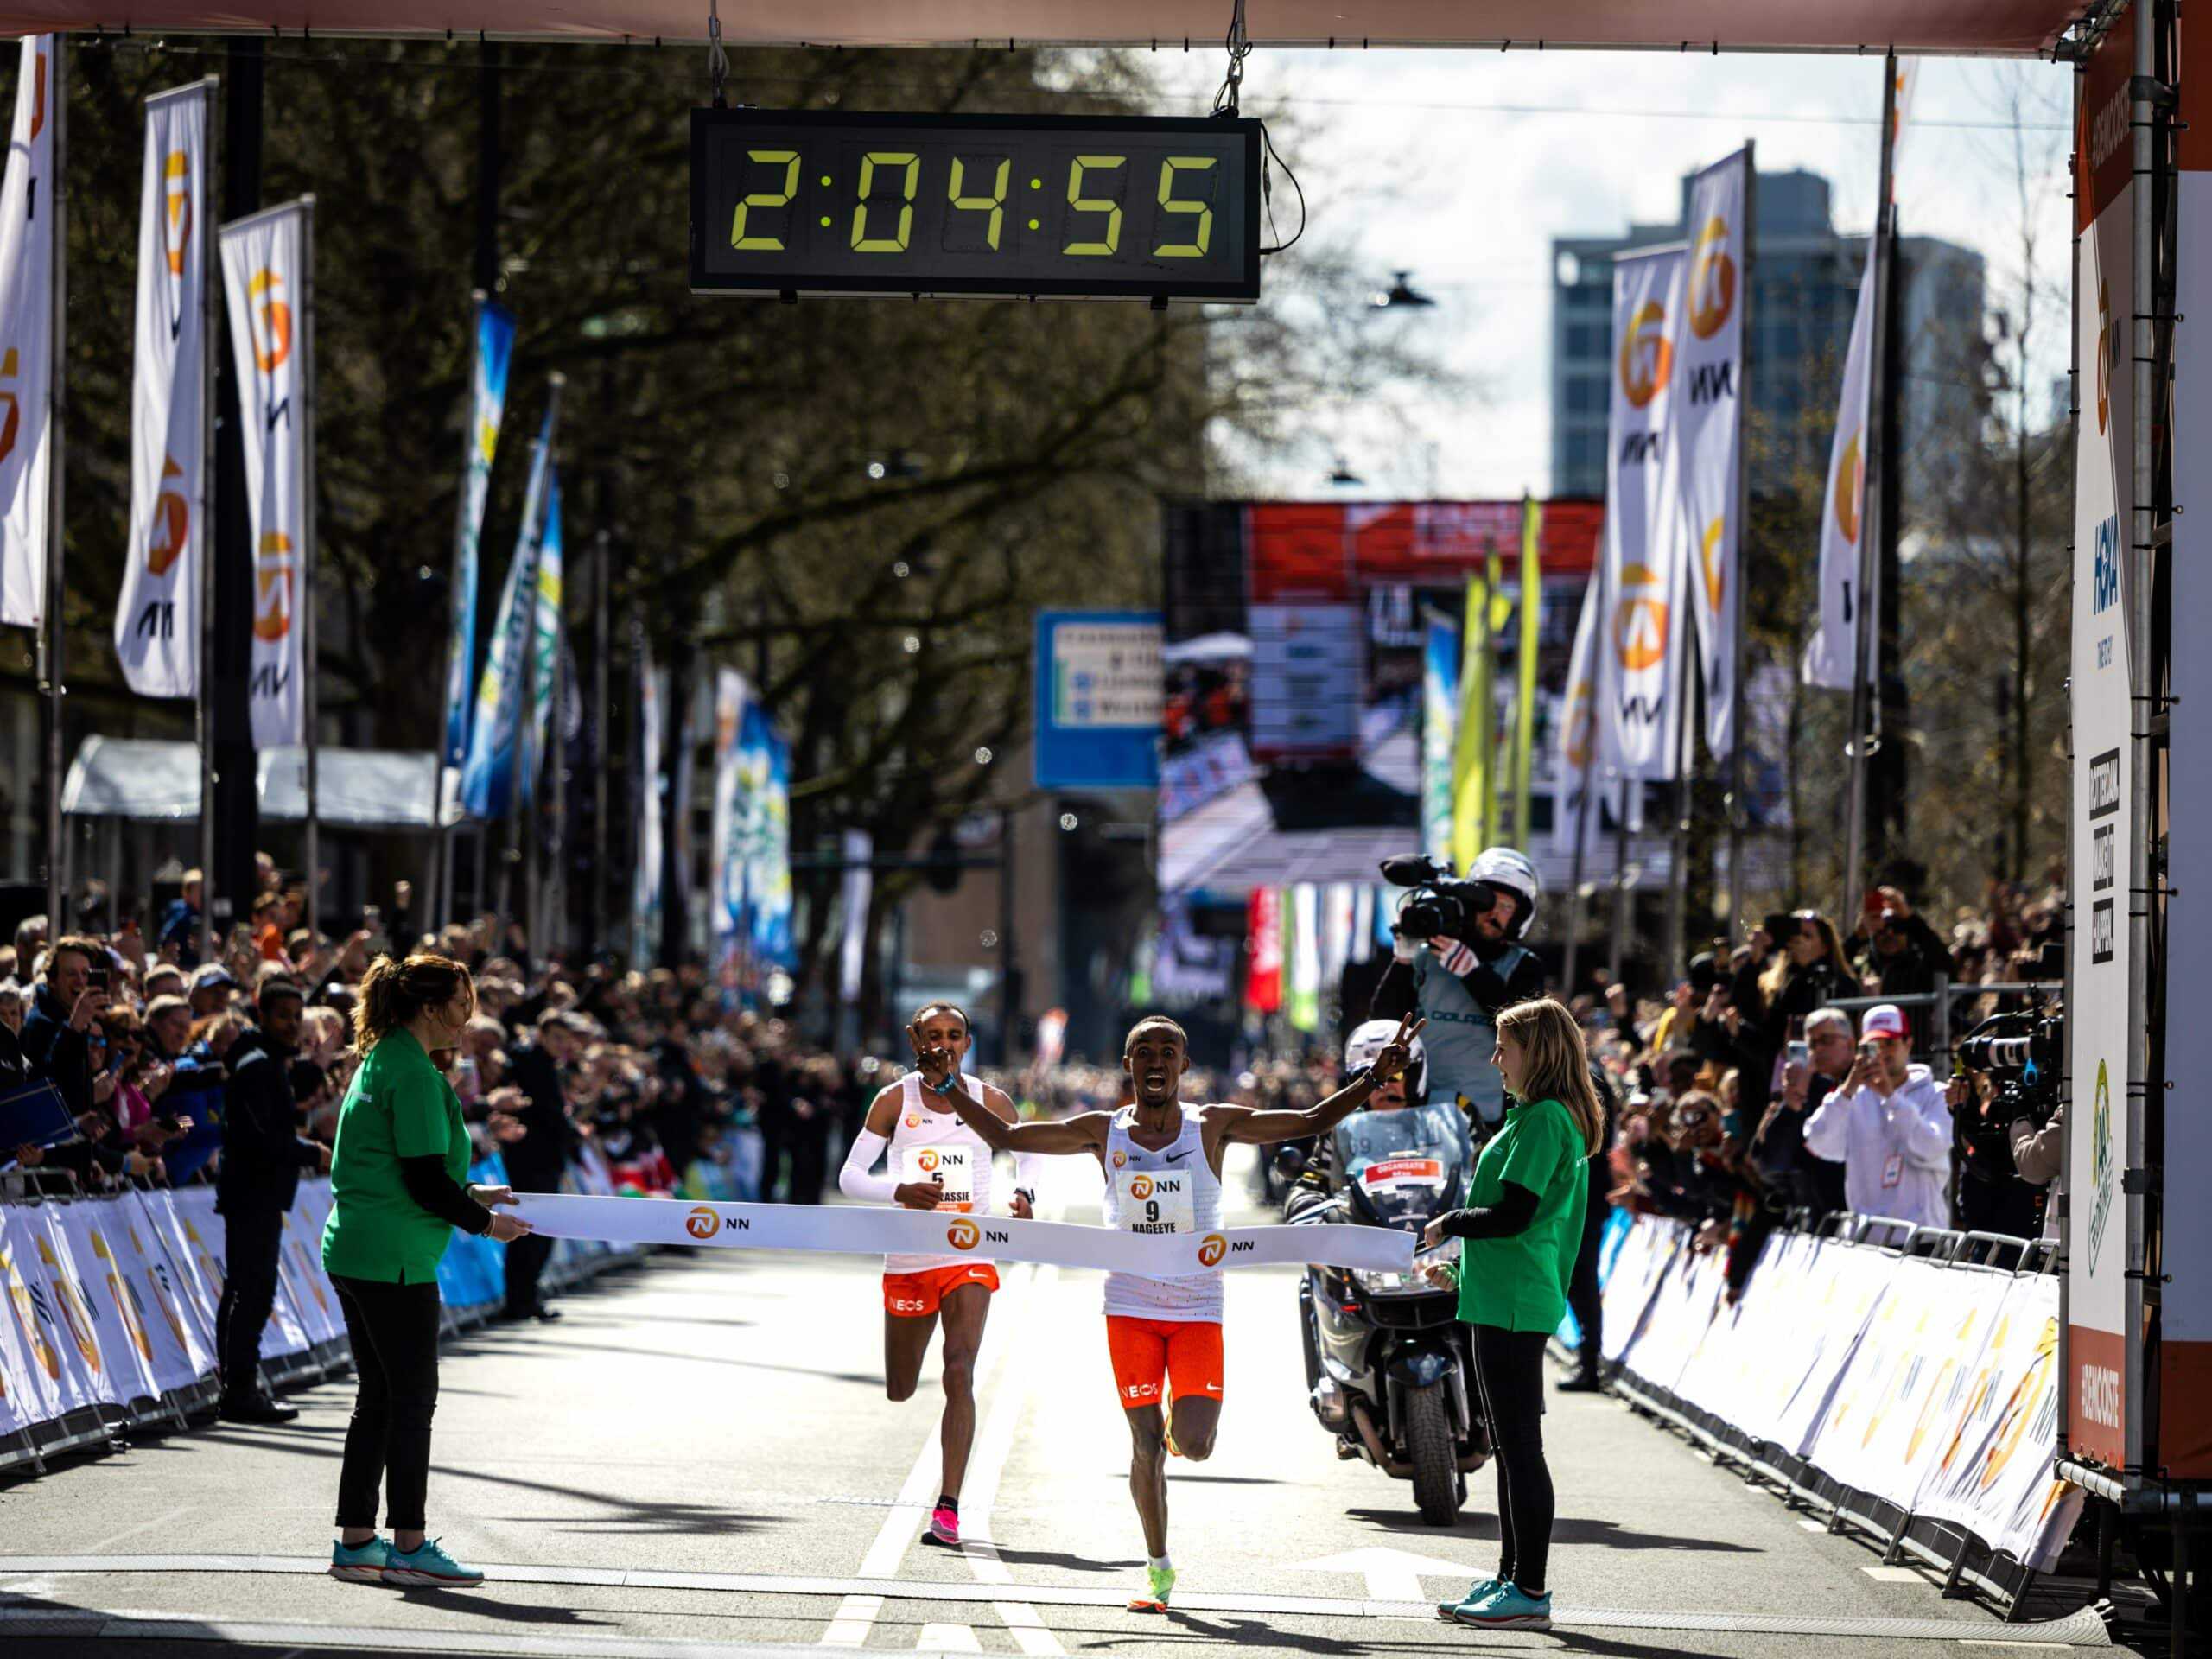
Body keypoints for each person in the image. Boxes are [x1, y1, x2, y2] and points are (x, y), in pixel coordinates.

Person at [936, 1009, 1423, 1613]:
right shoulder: (1101, 1131)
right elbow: (1008, 1139)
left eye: (1168, 1052)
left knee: (1194, 1445)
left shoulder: (1212, 1126)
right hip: (1131, 1306)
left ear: (1184, 1066)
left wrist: (1373, 1078)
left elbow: (1308, 1119)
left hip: (1196, 1307)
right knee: (1145, 1446)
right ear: (1128, 1065)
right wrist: (947, 1085)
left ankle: (1177, 1429)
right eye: (1145, 1052)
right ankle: (1158, 1567)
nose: (1157, 1061)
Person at [321, 952, 531, 1590]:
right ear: (433, 1007)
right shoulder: (410, 1072)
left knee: (379, 1401)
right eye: (463, 1004)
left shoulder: (383, 1058)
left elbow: (412, 1168)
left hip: (360, 1250)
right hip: (395, 1260)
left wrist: (472, 1193)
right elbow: (420, 1182)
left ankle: (359, 1541)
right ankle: (408, 1545)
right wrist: (484, 1223)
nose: (470, 1017)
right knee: (411, 1402)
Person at [1423, 996, 1604, 1633]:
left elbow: (1515, 1217)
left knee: (1521, 1449)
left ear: (1539, 1050)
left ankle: (1529, 1587)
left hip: (1517, 1301)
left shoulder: (1548, 1119)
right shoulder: (1536, 1117)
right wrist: (1460, 1270)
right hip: (1500, 1295)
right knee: (1510, 1447)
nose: (1495, 1058)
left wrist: (1448, 1224)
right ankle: (1511, 1577)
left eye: (1505, 1046)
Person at [837, 1002, 1041, 1549]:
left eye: (954, 1036)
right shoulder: (893, 1100)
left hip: (968, 1251)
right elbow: (850, 1176)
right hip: (909, 1257)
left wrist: (1025, 1193)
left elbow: (1028, 1153)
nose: (944, 1044)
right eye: (934, 1035)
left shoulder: (987, 1099)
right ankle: (912, 1395)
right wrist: (897, 1191)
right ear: (915, 1040)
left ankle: (948, 1506)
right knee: (901, 1388)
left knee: (959, 1369)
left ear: (967, 1044)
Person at [216, 977, 329, 1423]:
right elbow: (262, 1136)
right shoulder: (257, 1064)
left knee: (244, 1288)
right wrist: (312, 1152)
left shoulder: (267, 1060)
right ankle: (240, 1390)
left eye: (297, 1017)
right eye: (283, 1016)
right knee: (253, 1291)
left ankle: (236, 1385)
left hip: (256, 1192)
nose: (292, 1025)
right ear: (261, 1014)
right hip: (252, 1192)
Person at [1371, 847, 1545, 1130]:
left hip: (1489, 1121)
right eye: (1487, 904)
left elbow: (1525, 1029)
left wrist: (1473, 973)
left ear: (1517, 916)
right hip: (1422, 1112)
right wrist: (1403, 961)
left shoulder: (1524, 966)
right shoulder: (1428, 957)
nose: (1493, 915)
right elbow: (1382, 1023)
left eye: (1505, 907)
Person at [1801, 1003, 1953, 1229]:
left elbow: (1932, 1147)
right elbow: (1819, 1142)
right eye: (1873, 1046)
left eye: (1890, 1043)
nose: (1882, 1052)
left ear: (1908, 1043)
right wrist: (1847, 1089)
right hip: (1868, 1238)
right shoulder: (1852, 1098)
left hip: (1921, 1235)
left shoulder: (1936, 1094)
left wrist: (1891, 1098)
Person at [496, 1009, 584, 1324]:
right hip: (530, 1161)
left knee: (542, 1233)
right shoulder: (528, 1061)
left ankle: (528, 1297)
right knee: (526, 1233)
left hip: (548, 1160)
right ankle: (518, 1301)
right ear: (542, 1034)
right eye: (556, 1037)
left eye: (566, 1039)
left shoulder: (550, 1066)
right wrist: (568, 1126)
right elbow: (545, 1112)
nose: (562, 1044)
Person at [160, 870, 204, 969]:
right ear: (187, 893)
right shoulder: (181, 913)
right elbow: (165, 938)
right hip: (184, 965)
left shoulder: (204, 914)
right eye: (199, 891)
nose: (203, 895)